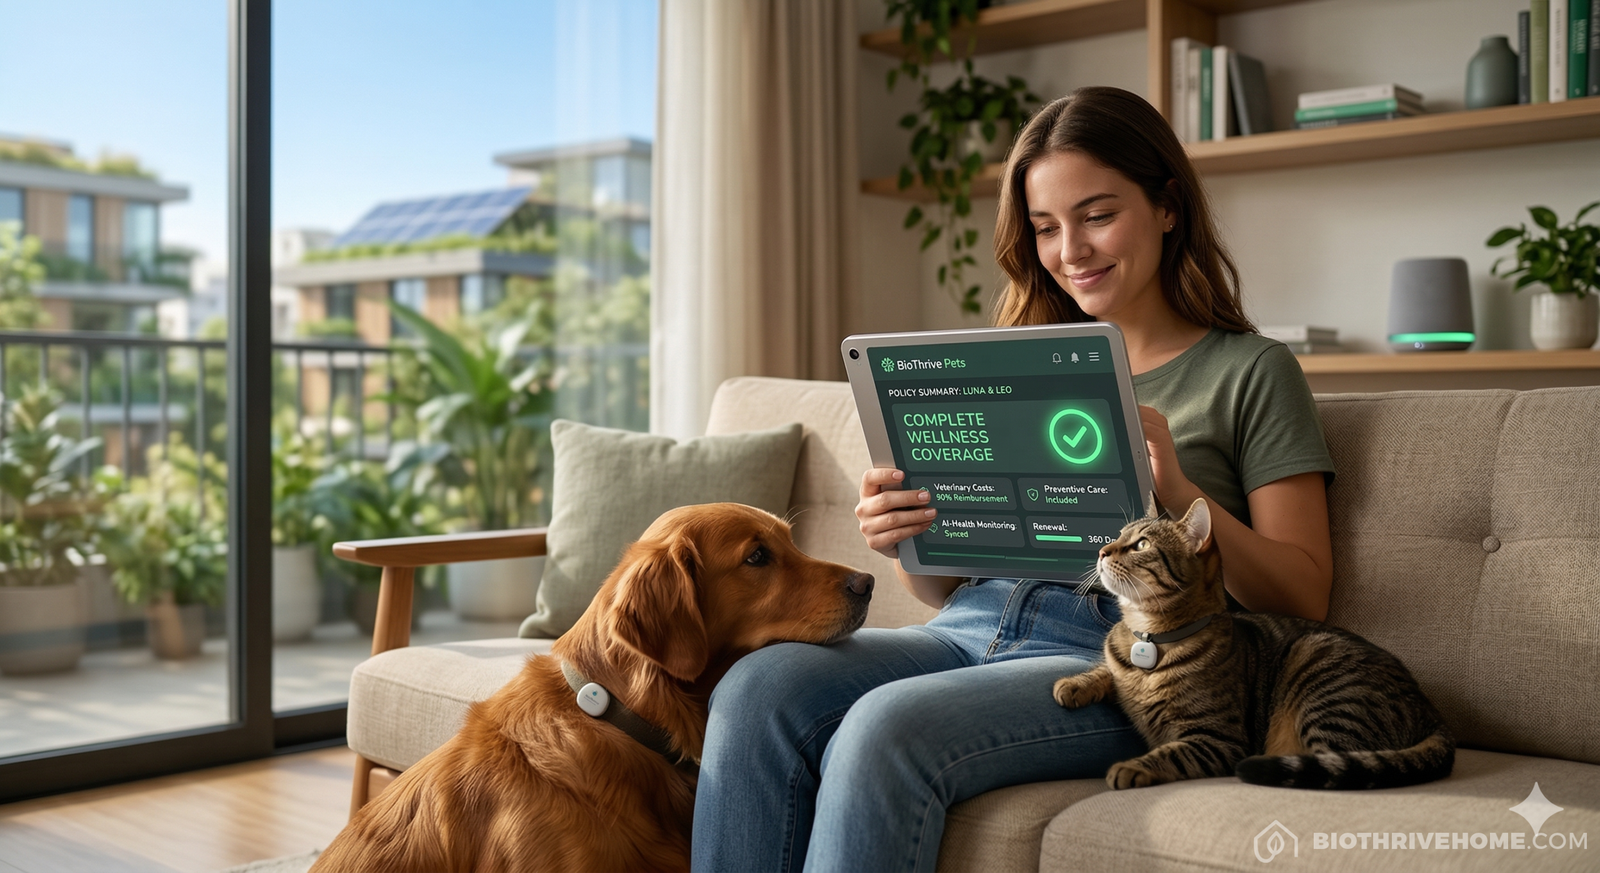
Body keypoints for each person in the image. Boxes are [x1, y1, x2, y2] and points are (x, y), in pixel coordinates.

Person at [690, 86, 1337, 873]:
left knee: (881, 729)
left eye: (1098, 215)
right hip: (962, 626)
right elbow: (945, 591)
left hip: (1113, 659)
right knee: (757, 689)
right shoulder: (1014, 359)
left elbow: (1306, 593)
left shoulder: (1252, 370)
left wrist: (1180, 490)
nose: (1071, 250)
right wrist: (909, 536)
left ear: (1167, 206)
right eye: (1044, 227)